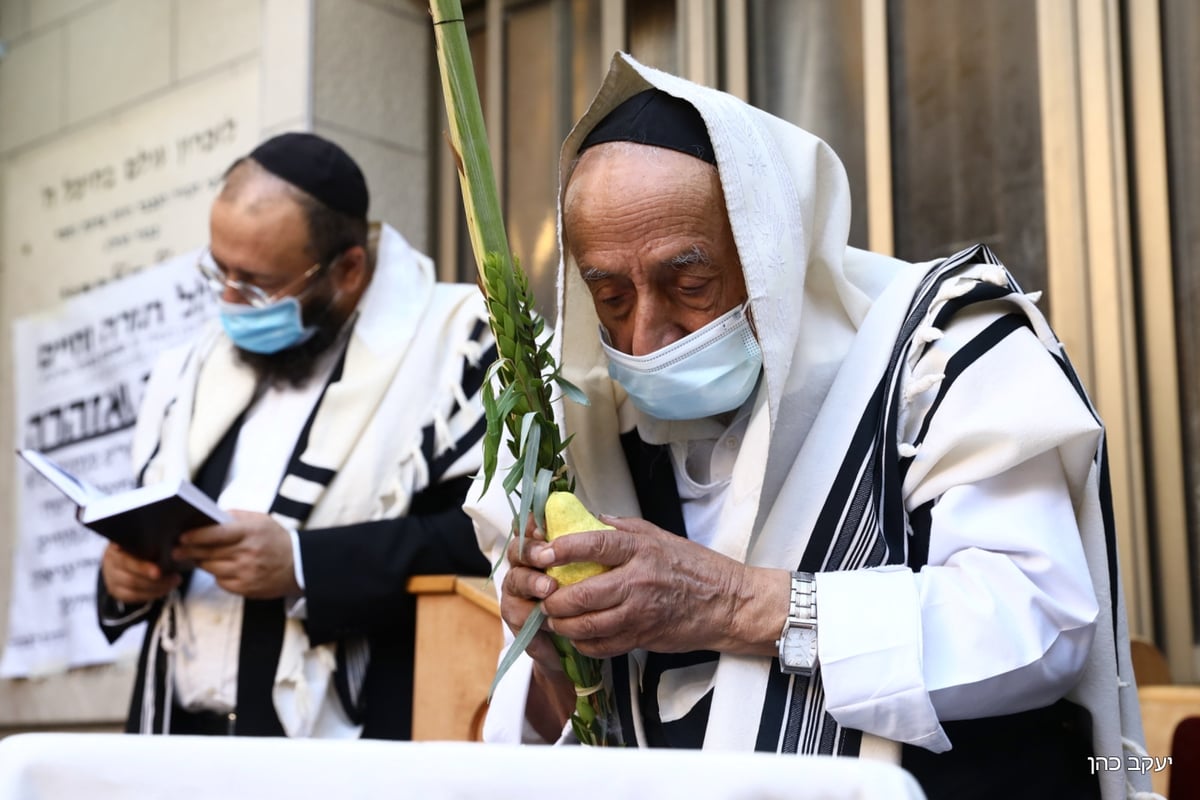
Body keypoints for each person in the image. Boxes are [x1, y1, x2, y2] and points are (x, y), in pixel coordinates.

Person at [470, 53, 1149, 799]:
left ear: (771, 257)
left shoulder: (939, 356)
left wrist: (730, 604)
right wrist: (552, 651)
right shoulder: (585, 438)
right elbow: (559, 736)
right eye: (610, 297)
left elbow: (1036, 622)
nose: (646, 338)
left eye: (689, 284)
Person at [97, 132, 495, 739]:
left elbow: (491, 537)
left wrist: (306, 565)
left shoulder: (458, 343)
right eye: (219, 270)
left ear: (348, 269)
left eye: (258, 283)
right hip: (175, 735)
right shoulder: (192, 366)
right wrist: (121, 577)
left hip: (341, 742)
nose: (231, 301)